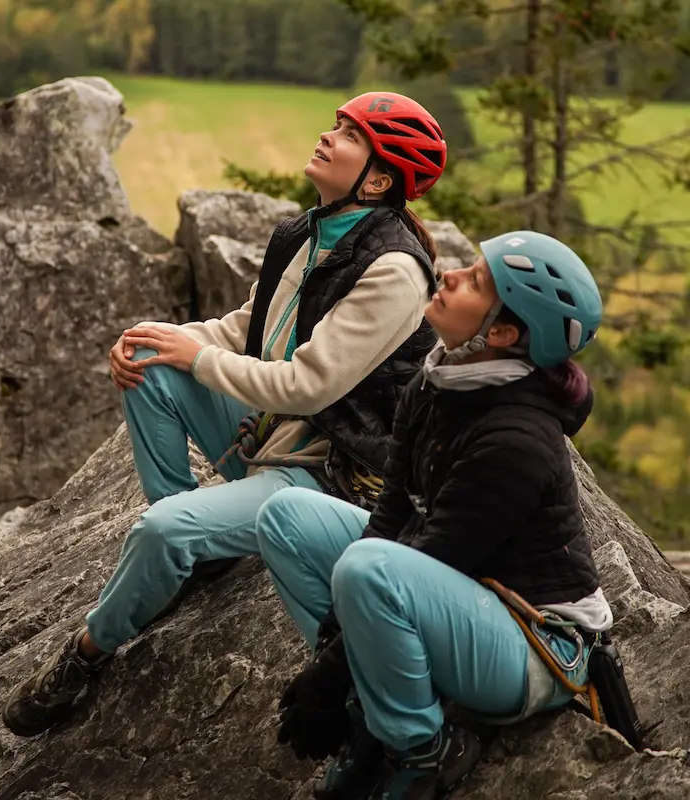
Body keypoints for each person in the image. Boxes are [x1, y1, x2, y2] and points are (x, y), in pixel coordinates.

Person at [0, 92, 449, 737]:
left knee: (159, 530)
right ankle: (199, 553)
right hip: (275, 439)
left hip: (324, 476)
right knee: (153, 367)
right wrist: (159, 338)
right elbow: (247, 331)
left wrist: (196, 358)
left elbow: (307, 385)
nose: (327, 136)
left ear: (378, 178)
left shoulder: (395, 269)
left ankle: (84, 656)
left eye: (349, 135)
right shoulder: (310, 231)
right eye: (336, 125)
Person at [256, 230, 613, 800]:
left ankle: (421, 748)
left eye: (474, 282)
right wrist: (333, 653)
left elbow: (431, 554)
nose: (448, 276)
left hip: (534, 647)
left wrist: (325, 676)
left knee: (368, 569)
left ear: (500, 333)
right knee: (286, 518)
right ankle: (371, 708)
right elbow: (391, 513)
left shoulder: (517, 439)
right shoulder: (438, 377)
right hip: (461, 595)